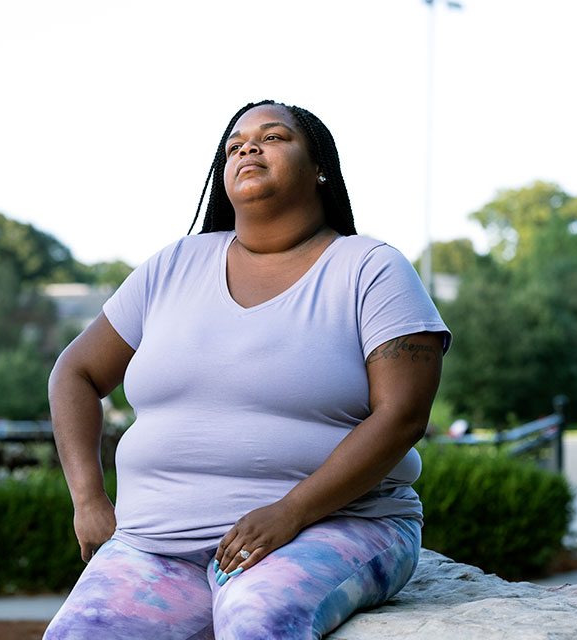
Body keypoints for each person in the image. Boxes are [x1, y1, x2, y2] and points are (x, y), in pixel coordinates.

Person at [43, 100, 451, 640]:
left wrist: (291, 511)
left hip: (334, 526)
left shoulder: (371, 268)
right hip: (157, 542)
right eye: (235, 145)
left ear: (320, 166)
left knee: (257, 619)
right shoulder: (172, 266)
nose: (248, 148)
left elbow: (402, 416)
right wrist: (89, 501)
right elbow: (74, 374)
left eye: (274, 137)